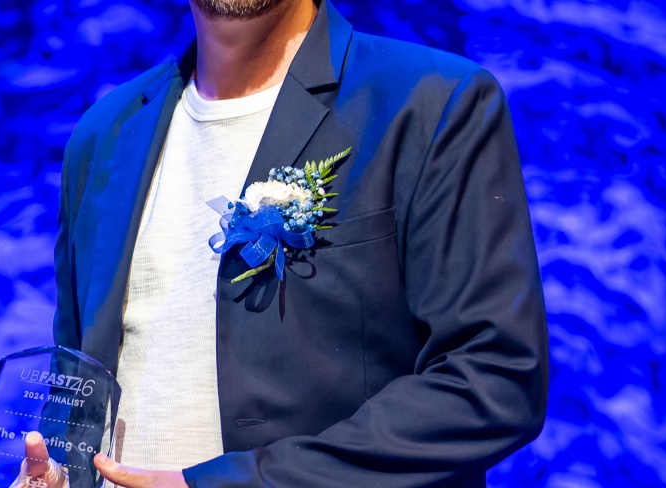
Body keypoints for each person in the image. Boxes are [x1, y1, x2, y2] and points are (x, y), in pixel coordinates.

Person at [44, 0, 550, 486]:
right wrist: (43, 474)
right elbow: (72, 394)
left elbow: (493, 378)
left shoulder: (431, 103)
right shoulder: (102, 136)